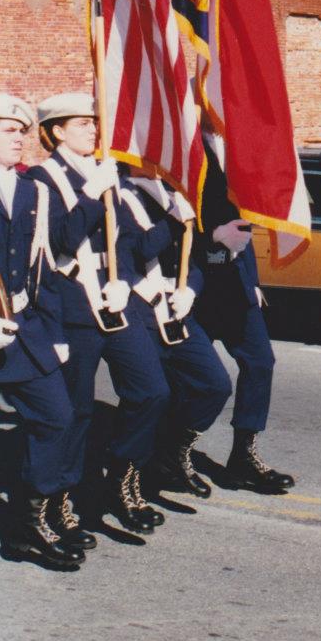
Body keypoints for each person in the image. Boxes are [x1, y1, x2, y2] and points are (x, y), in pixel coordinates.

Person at [26, 93, 170, 535]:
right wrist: (91, 194)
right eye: (81, 123)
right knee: (77, 410)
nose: (92, 128)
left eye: (94, 121)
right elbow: (61, 238)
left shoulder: (112, 175)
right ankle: (61, 498)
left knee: (151, 391)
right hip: (74, 308)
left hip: (119, 302)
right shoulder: (41, 178)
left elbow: (134, 244)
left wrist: (172, 219)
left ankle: (122, 477)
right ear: (55, 133)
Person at [0, 93, 83, 570]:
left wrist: (54, 330)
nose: (20, 138)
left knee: (57, 419)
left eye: (23, 131)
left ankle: (27, 524)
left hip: (26, 332)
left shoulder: (33, 190)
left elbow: (46, 269)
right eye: (8, 130)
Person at [191, 137, 294, 494]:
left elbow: (245, 222)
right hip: (194, 281)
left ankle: (243, 456)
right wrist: (213, 237)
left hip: (235, 281)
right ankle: (172, 453)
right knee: (191, 377)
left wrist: (252, 279)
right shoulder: (184, 142)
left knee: (260, 362)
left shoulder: (238, 141)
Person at [119, 176, 232, 499]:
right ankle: (128, 476)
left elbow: (191, 259)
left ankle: (172, 452)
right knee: (149, 397)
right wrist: (172, 217)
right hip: (140, 307)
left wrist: (190, 290)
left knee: (214, 385)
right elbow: (140, 249)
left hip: (177, 309)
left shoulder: (171, 193)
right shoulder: (121, 194)